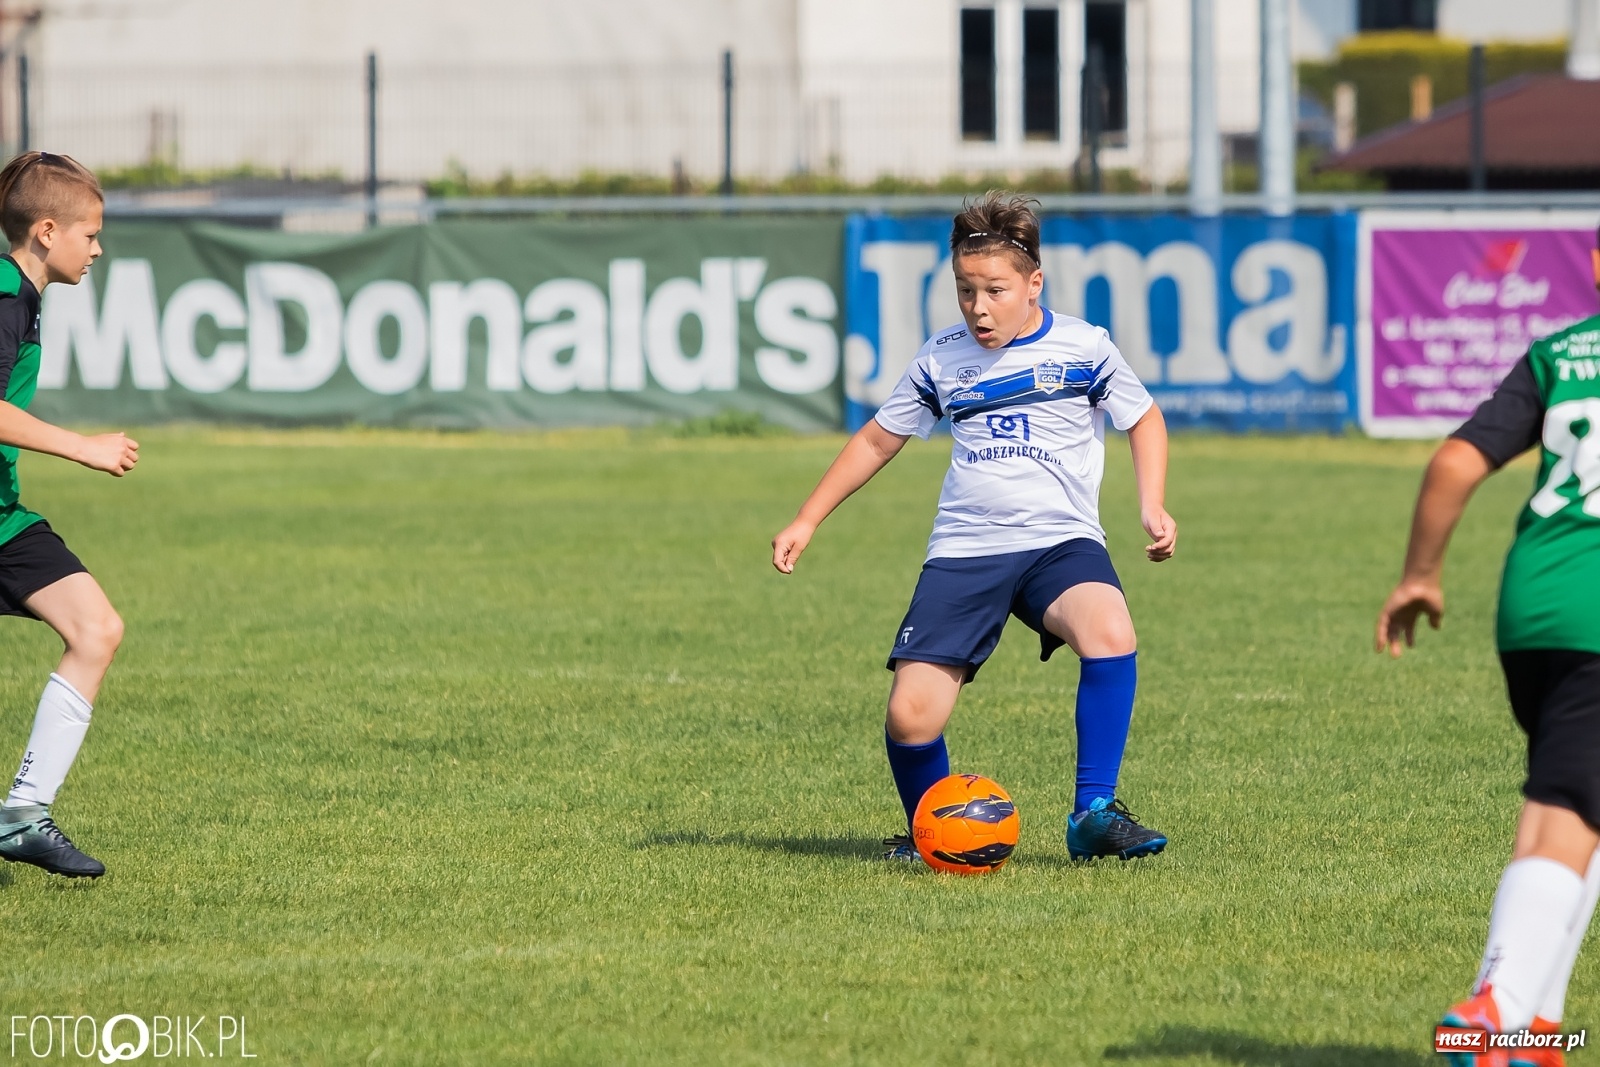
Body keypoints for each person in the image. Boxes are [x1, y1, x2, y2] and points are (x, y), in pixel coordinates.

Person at [771, 191, 1176, 863]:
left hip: (1059, 543)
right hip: (966, 551)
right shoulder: (942, 358)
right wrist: (808, 518)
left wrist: (1151, 503)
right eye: (964, 291)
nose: (978, 307)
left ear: (1033, 283)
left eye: (994, 290)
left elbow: (1144, 417)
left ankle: (1093, 814)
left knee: (1109, 628)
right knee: (910, 715)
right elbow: (877, 440)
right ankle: (932, 831)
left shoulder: (1083, 347)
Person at [1376, 228, 1600, 1066]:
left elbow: (1456, 461)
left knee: (1581, 803)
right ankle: (1493, 1008)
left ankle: (1540, 1026)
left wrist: (1420, 575)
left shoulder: (1560, 352)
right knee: (1564, 812)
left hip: (1533, 604)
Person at [0, 151, 139, 880]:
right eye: (90, 234)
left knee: (96, 628)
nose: (98, 248)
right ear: (46, 231)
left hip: (3, 519)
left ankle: (22, 814)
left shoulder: (22, 296)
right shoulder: (2, 298)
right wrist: (81, 447)